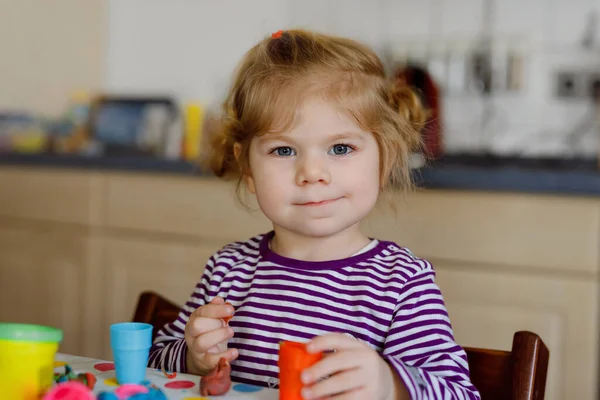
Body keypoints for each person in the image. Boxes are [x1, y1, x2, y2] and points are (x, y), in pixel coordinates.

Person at [149, 29, 480, 400]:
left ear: (384, 160)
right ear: (248, 170)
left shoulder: (402, 283)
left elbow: (459, 393)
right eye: (283, 151)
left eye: (340, 147)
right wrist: (194, 360)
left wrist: (392, 386)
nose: (312, 172)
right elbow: (157, 364)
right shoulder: (228, 269)